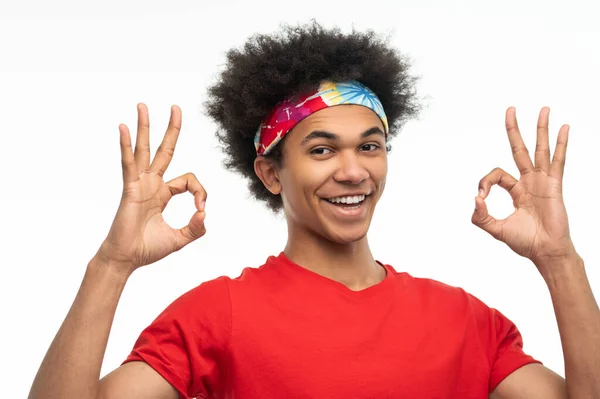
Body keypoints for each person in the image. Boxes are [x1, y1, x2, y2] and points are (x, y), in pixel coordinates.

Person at [29, 22, 599, 399]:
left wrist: (560, 261)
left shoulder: (465, 322)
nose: (353, 171)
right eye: (321, 148)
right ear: (272, 173)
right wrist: (111, 265)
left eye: (369, 145)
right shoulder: (216, 315)